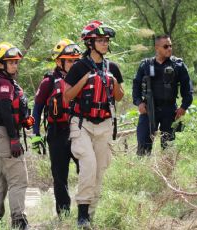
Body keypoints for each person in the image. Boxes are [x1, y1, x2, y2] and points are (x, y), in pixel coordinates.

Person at [63, 20, 124, 229]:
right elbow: (66, 97)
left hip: (105, 124)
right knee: (88, 165)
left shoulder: (113, 67)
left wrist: (114, 82)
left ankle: (90, 215)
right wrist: (84, 80)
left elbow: (120, 96)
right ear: (90, 43)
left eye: (106, 40)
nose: (105, 43)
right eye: (100, 40)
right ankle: (81, 214)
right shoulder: (79, 67)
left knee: (99, 170)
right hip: (82, 124)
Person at [0, 42, 34, 230]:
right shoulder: (3, 83)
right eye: (10, 62)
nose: (14, 66)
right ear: (0, 64)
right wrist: (13, 138)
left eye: (16, 62)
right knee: (18, 180)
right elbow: (4, 110)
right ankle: (19, 221)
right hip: (2, 134)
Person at [31, 38, 80, 217]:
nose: (74, 64)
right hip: (57, 133)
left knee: (87, 169)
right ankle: (64, 214)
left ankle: (85, 209)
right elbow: (37, 110)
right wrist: (35, 134)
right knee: (60, 176)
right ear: (59, 61)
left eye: (76, 60)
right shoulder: (49, 81)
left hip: (79, 131)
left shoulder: (82, 79)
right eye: (70, 60)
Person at [132, 34, 193, 156]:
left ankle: (166, 172)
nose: (169, 48)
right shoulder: (146, 65)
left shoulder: (178, 65)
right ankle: (143, 171)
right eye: (166, 46)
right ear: (157, 48)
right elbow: (136, 86)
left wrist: (183, 107)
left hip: (169, 110)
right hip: (149, 109)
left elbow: (188, 89)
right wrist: (139, 103)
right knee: (143, 144)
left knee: (168, 145)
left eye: (170, 46)